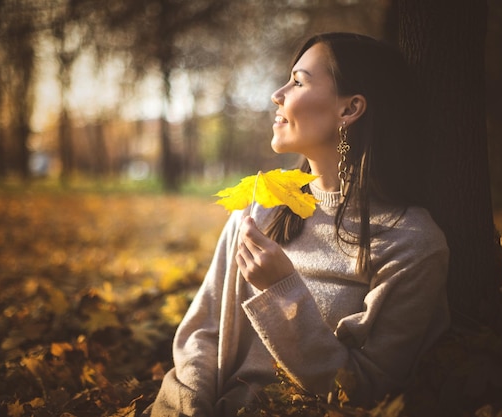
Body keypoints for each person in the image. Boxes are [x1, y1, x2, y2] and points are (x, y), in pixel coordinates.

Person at [143, 32, 450, 417]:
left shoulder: (412, 243)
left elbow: (369, 387)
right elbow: (201, 335)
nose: (277, 93)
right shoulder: (262, 207)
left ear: (349, 109)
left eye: (299, 81)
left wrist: (282, 292)